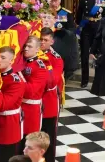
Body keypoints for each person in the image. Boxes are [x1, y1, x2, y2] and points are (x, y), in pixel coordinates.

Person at [0, 47, 25, 162]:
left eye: (3, 58)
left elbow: (4, 105)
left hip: (7, 125)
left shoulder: (15, 81)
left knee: (5, 156)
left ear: (11, 61)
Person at [76, 0, 105, 88]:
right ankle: (84, 80)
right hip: (86, 28)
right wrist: (78, 28)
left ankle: (99, 79)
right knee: (84, 54)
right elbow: (78, 16)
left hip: (98, 28)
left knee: (99, 53)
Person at [40, 28, 63, 162]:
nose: (42, 42)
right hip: (34, 104)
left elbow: (53, 80)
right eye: (41, 39)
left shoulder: (56, 59)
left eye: (45, 40)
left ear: (52, 42)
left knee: (48, 137)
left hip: (49, 103)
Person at [21, 37, 49, 144]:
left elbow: (30, 91)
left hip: (31, 110)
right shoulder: (23, 62)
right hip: (20, 107)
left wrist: (19, 76)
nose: (26, 49)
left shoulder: (40, 67)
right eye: (25, 46)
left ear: (37, 49)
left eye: (30, 46)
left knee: (29, 143)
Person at [41, 11, 79, 80]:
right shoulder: (35, 32)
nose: (46, 20)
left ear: (55, 20)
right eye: (44, 17)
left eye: (49, 17)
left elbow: (72, 56)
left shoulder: (67, 35)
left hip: (59, 73)